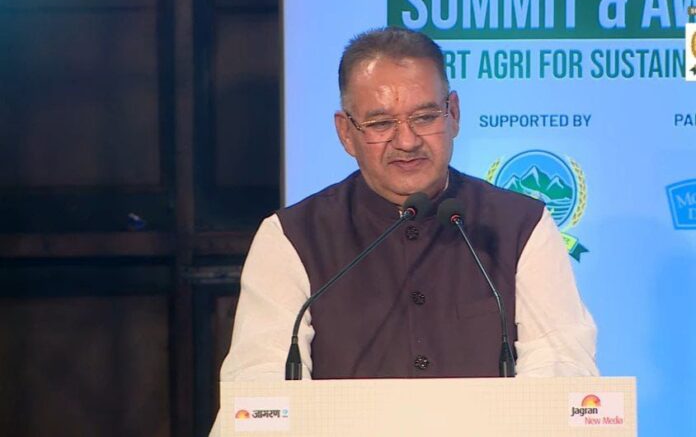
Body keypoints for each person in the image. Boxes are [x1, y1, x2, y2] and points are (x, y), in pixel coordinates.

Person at [219, 25, 597, 387]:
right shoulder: (291, 237)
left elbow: (561, 368)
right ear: (346, 133)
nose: (407, 141)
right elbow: (261, 381)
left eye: (425, 117)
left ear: (453, 114)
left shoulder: (520, 226)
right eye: (381, 123)